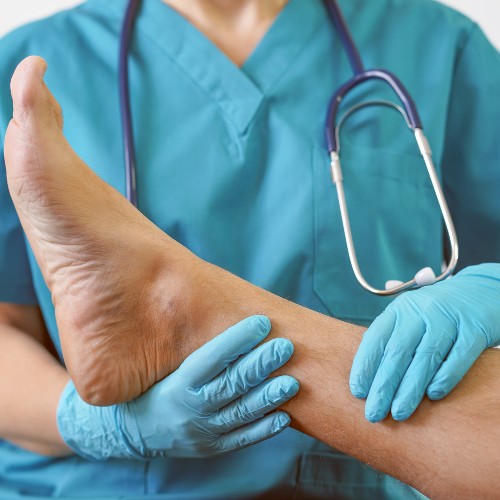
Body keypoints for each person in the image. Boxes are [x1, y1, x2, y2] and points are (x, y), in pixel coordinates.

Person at [1, 0, 499, 498]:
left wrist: (490, 289)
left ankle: (188, 307)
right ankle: (187, 304)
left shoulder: (436, 43)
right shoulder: (47, 57)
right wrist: (96, 424)